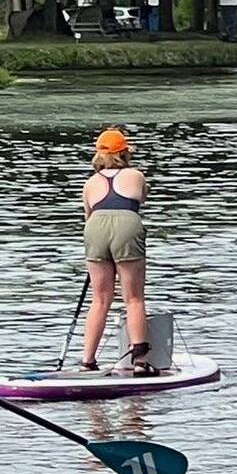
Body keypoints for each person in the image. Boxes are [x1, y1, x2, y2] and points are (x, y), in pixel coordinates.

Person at [80, 129, 156, 375]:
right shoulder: (135, 175)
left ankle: (87, 361)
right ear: (125, 152)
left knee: (100, 300)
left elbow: (88, 216)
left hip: (95, 228)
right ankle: (141, 362)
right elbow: (141, 199)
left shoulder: (90, 183)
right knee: (133, 298)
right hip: (127, 223)